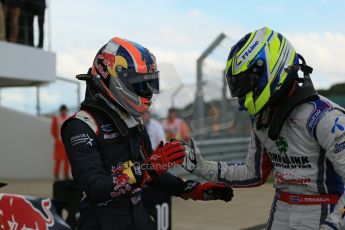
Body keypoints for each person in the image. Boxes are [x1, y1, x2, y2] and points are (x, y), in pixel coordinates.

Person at [61, 37, 233, 230]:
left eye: (150, 83)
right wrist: (147, 169)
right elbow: (95, 188)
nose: (148, 91)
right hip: (101, 223)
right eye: (140, 84)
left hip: (138, 217)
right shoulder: (81, 125)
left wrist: (191, 189)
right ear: (112, 77)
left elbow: (153, 174)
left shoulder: (132, 120)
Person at [182, 27, 345, 230]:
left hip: (323, 211)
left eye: (246, 81)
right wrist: (202, 167)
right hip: (280, 209)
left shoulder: (324, 116)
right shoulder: (262, 118)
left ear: (270, 66)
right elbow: (254, 173)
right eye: (237, 85)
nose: (241, 93)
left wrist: (334, 225)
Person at [51, 104, 70, 180]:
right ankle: (56, 175)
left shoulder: (68, 118)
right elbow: (53, 130)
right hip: (59, 142)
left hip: (66, 141)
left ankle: (66, 175)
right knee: (58, 159)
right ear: (60, 111)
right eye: (62, 110)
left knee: (67, 160)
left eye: (64, 110)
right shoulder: (56, 118)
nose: (63, 112)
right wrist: (57, 138)